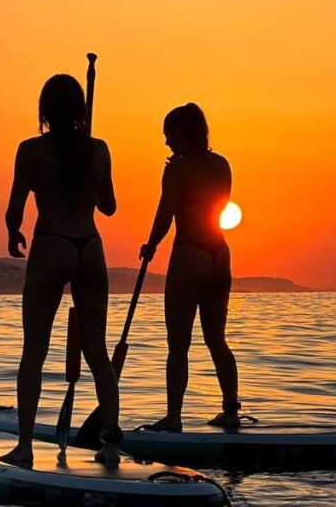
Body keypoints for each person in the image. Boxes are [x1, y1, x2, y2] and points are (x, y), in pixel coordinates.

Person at [1, 74, 121, 467]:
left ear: (45, 110)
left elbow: (16, 206)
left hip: (51, 241)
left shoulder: (31, 149)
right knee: (97, 352)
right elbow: (109, 207)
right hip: (89, 246)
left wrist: (13, 232)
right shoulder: (99, 149)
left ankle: (24, 446)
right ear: (82, 111)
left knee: (34, 351)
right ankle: (111, 445)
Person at [140, 103, 241, 431]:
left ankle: (173, 418)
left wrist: (151, 245)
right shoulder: (222, 165)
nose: (167, 142)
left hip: (189, 254)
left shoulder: (177, 168)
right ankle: (230, 409)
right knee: (217, 339)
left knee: (178, 343)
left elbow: (165, 213)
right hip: (220, 255)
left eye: (170, 134)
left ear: (186, 132)